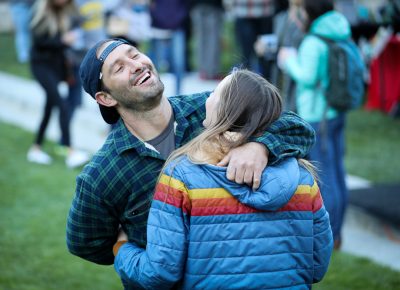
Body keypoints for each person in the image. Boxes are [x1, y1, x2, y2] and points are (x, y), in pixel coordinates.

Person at [66, 38, 316, 288]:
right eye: (119, 68)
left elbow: (297, 127)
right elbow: (84, 242)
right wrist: (125, 248)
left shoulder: (214, 108)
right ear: (106, 98)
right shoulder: (102, 174)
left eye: (134, 54)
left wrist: (260, 146)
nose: (136, 65)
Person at [113, 69, 333, 289]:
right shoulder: (303, 180)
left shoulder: (181, 177)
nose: (207, 98)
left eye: (216, 93)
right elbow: (317, 264)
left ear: (225, 110)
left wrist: (121, 249)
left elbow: (160, 273)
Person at [278, 0, 350, 249]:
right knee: (338, 171)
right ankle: (338, 231)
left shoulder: (313, 41)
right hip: (335, 112)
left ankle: (330, 234)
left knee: (325, 176)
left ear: (309, 12)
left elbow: (307, 78)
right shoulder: (338, 29)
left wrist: (289, 62)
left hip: (316, 117)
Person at [27, 0, 90, 168]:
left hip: (56, 66)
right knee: (61, 104)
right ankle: (70, 152)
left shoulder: (64, 11)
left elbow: (77, 24)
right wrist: (63, 41)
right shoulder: (39, 12)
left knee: (49, 107)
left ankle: (36, 148)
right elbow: (39, 42)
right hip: (41, 65)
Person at [191, 0, 224, 80]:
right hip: (212, 5)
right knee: (212, 40)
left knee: (201, 40)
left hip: (197, 5)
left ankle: (203, 71)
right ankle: (211, 72)